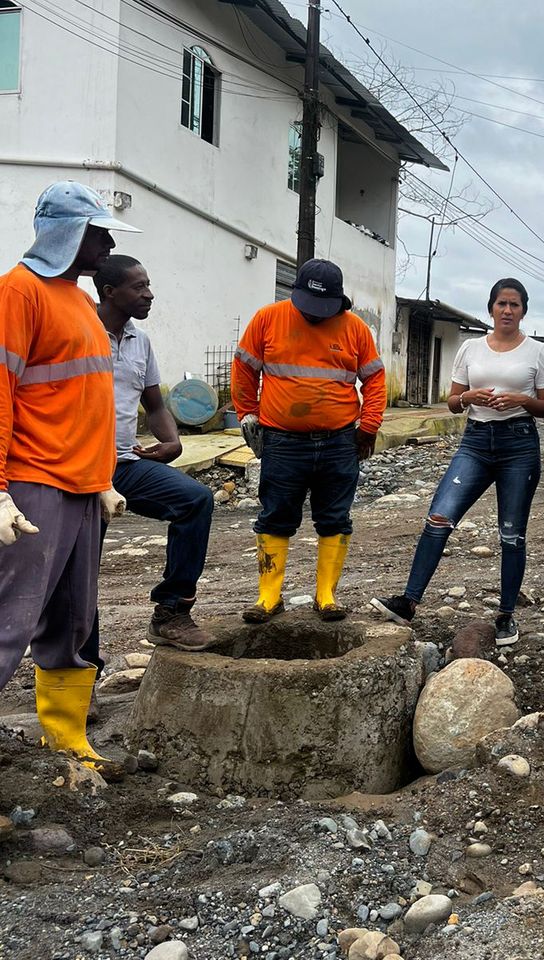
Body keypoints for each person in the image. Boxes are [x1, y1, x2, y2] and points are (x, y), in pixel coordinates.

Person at [0, 182, 137, 779]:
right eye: (97, 232)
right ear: (66, 233)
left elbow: (90, 398)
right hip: (34, 482)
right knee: (10, 619)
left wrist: (103, 477)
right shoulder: (18, 292)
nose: (107, 244)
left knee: (73, 620)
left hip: (82, 486)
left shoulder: (79, 301)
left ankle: (66, 739)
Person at [371, 278, 544, 645]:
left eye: (515, 304)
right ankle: (408, 602)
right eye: (501, 303)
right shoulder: (470, 348)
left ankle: (506, 615)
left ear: (523, 311)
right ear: (491, 308)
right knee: (439, 518)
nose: (507, 310)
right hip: (475, 442)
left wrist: (521, 400)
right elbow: (453, 402)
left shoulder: (539, 352)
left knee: (512, 534)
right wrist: (469, 397)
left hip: (518, 445)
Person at [80, 255, 215, 688]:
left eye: (148, 285)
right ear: (109, 293)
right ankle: (82, 674)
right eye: (139, 287)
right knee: (81, 570)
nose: (149, 295)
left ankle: (171, 612)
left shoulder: (141, 341)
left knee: (195, 500)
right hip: (79, 470)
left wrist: (172, 440)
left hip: (125, 463)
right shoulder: (80, 330)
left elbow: (155, 405)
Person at [232, 258, 385, 622]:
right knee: (275, 515)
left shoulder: (355, 329)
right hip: (282, 441)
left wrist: (369, 426)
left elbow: (375, 380)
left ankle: (326, 595)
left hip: (339, 441)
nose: (315, 315)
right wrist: (247, 414)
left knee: (335, 517)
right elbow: (244, 368)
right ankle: (269, 596)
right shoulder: (268, 319)